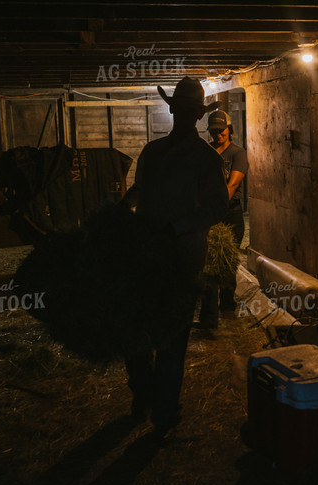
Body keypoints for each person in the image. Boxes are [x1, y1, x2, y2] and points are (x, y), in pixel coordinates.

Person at [124, 77, 229, 436]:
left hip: (183, 261)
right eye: (180, 109)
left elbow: (217, 206)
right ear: (172, 109)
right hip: (144, 257)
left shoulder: (205, 159)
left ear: (199, 115)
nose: (185, 115)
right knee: (135, 333)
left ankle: (163, 410)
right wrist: (122, 210)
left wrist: (179, 227)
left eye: (191, 111)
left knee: (171, 339)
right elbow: (141, 189)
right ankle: (143, 395)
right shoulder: (151, 153)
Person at [197, 109, 249, 327]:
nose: (218, 135)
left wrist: (217, 208)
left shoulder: (237, 153)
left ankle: (227, 307)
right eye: (214, 131)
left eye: (222, 130)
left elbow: (233, 184)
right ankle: (209, 313)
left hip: (230, 214)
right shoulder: (205, 152)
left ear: (230, 130)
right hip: (209, 214)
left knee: (227, 263)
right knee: (208, 264)